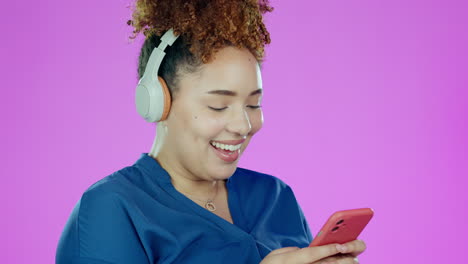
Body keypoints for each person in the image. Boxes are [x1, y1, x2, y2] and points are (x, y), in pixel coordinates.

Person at [55, 0, 367, 263]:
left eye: (253, 104)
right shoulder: (112, 208)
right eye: (218, 106)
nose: (243, 126)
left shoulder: (275, 197)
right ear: (158, 101)